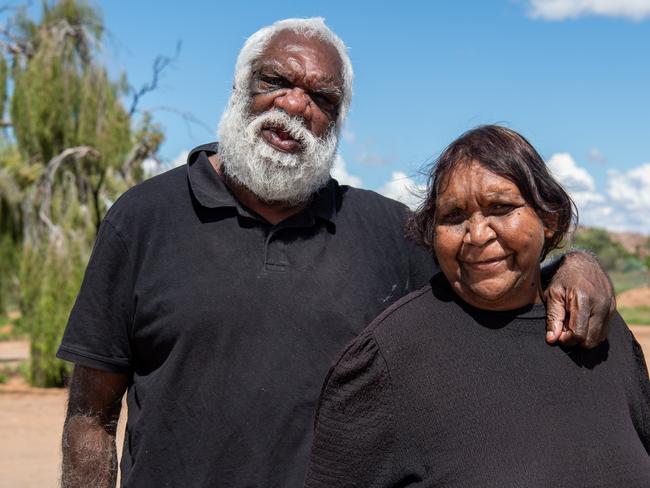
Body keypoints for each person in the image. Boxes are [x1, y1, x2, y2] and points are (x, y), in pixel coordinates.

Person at [57, 19, 613, 488]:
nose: (295, 105)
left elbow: (490, 279)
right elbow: (91, 414)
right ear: (238, 89)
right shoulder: (143, 218)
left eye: (322, 97)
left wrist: (573, 263)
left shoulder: (387, 230)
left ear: (337, 121)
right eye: (275, 80)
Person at [304, 125, 650, 488]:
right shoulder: (388, 361)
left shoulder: (597, 328)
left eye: (500, 208)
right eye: (453, 216)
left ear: (549, 220)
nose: (478, 235)